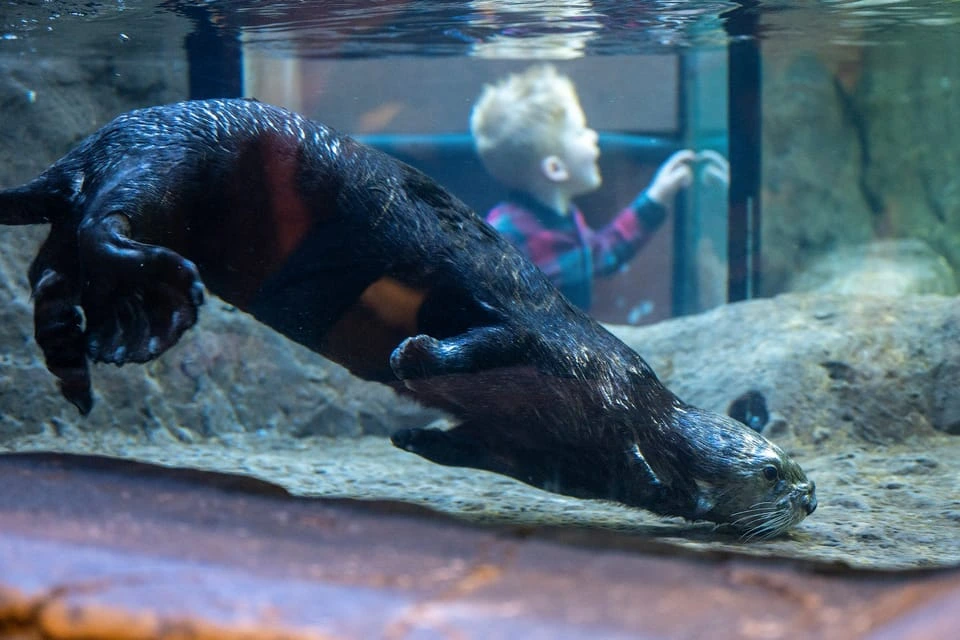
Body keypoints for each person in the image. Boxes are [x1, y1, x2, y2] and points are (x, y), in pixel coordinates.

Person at [470, 64, 705, 311]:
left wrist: (656, 197)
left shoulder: (562, 218)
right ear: (555, 169)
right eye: (580, 131)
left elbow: (602, 255)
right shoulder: (506, 234)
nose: (593, 136)